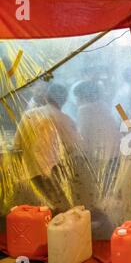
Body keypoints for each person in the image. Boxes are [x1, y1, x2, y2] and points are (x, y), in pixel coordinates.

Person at [14, 83, 81, 212]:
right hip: (52, 172)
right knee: (56, 209)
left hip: (28, 172)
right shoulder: (65, 119)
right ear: (65, 100)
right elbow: (76, 147)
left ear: (46, 97)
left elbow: (17, 144)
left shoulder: (28, 115)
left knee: (35, 211)